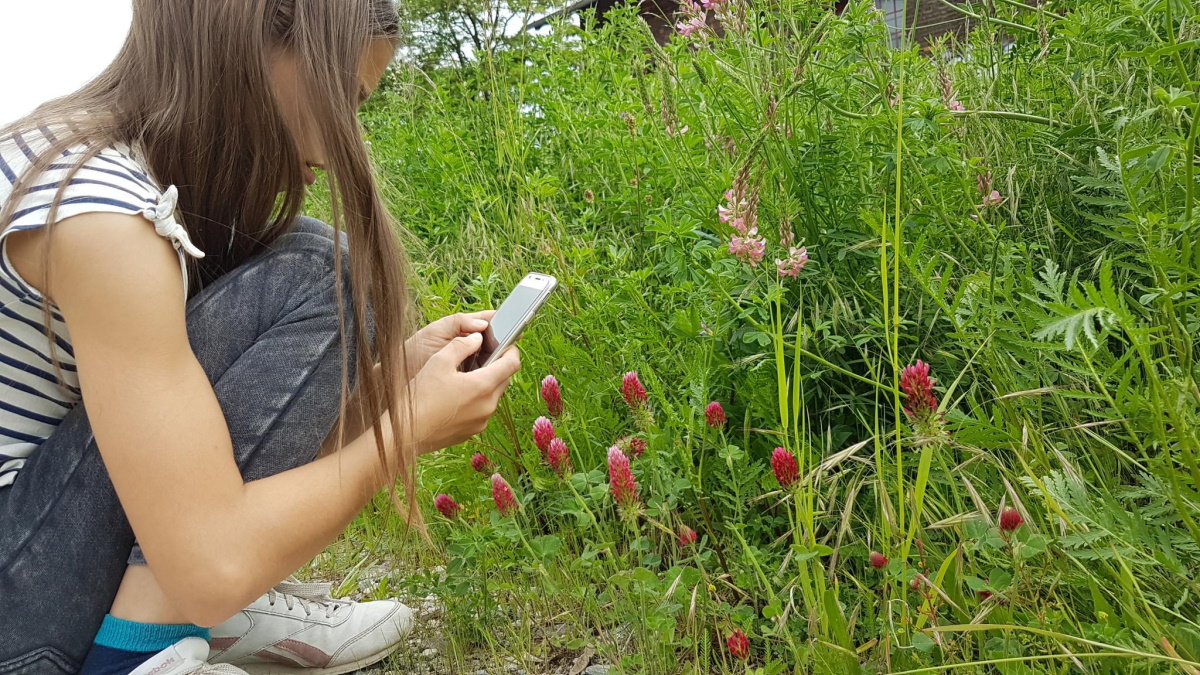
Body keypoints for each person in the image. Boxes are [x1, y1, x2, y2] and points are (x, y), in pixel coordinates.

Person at [0, 1, 521, 674]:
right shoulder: (103, 218)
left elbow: (188, 443)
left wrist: (387, 386)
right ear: (256, 45)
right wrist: (406, 429)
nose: (342, 147)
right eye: (346, 100)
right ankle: (130, 656)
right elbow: (212, 563)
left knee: (311, 265)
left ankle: (182, 626)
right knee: (325, 273)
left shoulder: (81, 154)